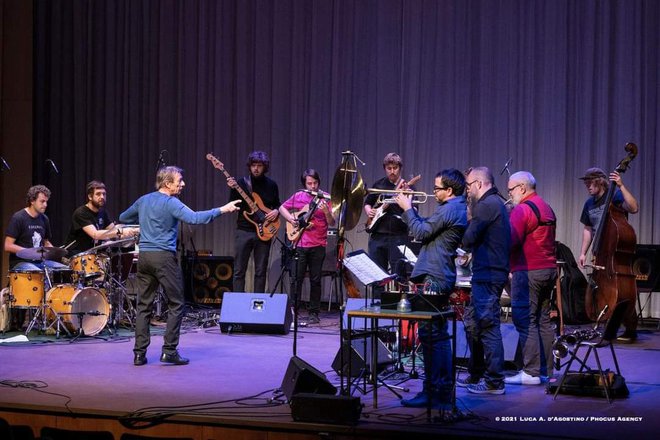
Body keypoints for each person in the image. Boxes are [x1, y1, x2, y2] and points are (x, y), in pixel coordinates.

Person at [120, 166, 240, 366]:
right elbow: (195, 218)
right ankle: (169, 351)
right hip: (163, 258)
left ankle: (139, 354)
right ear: (167, 183)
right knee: (177, 304)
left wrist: (145, 219)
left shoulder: (144, 200)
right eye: (179, 181)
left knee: (143, 306)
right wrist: (223, 209)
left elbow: (124, 217)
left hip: (144, 257)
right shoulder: (171, 203)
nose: (183, 184)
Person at [395, 168, 468, 408]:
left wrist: (407, 208)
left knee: (432, 336)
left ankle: (436, 391)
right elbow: (427, 229)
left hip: (434, 277)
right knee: (434, 336)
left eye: (437, 188)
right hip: (436, 274)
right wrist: (412, 208)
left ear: (449, 191)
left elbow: (419, 231)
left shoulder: (451, 208)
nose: (433, 191)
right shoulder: (454, 207)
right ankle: (437, 390)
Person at [459, 166, 511, 395]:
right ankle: (477, 373)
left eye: (469, 185)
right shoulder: (494, 204)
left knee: (488, 327)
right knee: (473, 324)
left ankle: (494, 382)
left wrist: (468, 215)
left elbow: (468, 240)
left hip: (488, 275)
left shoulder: (486, 206)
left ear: (479, 184)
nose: (467, 190)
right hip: (487, 273)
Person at [505, 171, 557, 385]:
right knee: (543, 321)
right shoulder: (547, 207)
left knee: (526, 321)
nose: (509, 194)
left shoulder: (522, 210)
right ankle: (545, 371)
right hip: (548, 270)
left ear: (522, 188)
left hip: (528, 272)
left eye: (511, 190)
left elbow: (511, 242)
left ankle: (531, 373)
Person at [578, 167, 639, 342]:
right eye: (586, 182)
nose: (588, 186)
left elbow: (633, 208)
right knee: (602, 287)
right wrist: (583, 252)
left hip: (615, 251)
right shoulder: (589, 204)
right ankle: (603, 322)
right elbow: (588, 229)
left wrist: (621, 186)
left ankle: (629, 325)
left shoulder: (615, 196)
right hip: (601, 251)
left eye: (591, 182)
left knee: (621, 289)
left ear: (601, 181)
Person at [278, 169, 335, 324]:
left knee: (316, 280)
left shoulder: (326, 198)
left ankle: (313, 313)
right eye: (309, 183)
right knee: (296, 279)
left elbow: (332, 222)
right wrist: (291, 219)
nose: (313, 186)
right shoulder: (299, 196)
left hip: (318, 244)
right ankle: (293, 311)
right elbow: (282, 207)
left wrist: (326, 212)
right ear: (304, 184)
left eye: (315, 183)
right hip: (300, 242)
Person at [227, 151, 280, 293]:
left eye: (259, 165)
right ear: (249, 167)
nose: (256, 168)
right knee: (239, 271)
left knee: (261, 271)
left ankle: (258, 305)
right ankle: (238, 304)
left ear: (265, 167)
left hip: (264, 232)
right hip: (243, 230)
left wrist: (276, 211)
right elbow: (234, 205)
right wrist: (233, 189)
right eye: (253, 165)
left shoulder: (272, 185)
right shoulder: (241, 183)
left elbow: (277, 205)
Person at [363, 153, 410, 294]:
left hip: (398, 237)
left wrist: (406, 200)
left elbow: (411, 212)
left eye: (395, 168)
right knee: (377, 275)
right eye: (389, 168)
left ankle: (399, 309)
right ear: (385, 168)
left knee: (399, 276)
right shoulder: (379, 185)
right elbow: (367, 203)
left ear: (400, 168)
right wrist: (369, 211)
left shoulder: (407, 187)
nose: (392, 171)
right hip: (377, 236)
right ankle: (377, 307)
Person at [65, 180, 139, 255]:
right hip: (76, 255)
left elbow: (113, 230)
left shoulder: (102, 212)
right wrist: (121, 231)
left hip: (92, 255)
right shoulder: (81, 212)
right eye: (98, 194)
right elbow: (95, 235)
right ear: (90, 196)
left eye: (104, 194)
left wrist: (134, 231)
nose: (102, 197)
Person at [4, 185, 55, 270]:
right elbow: (8, 245)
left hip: (39, 262)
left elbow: (45, 242)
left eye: (46, 201)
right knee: (36, 271)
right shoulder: (19, 217)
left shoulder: (44, 218)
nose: (45, 205)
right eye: (42, 201)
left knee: (63, 269)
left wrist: (55, 251)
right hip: (20, 262)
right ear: (32, 201)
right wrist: (29, 252)